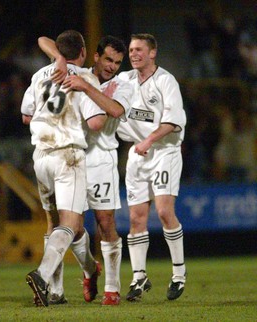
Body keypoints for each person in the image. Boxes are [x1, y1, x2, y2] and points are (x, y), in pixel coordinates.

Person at [38, 35, 132, 305]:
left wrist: (86, 88)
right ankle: (90, 270)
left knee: (105, 224)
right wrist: (58, 57)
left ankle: (112, 289)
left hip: (101, 159)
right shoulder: (74, 72)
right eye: (108, 59)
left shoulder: (122, 85)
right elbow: (43, 39)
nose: (112, 66)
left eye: (117, 62)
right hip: (71, 158)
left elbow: (113, 110)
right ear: (95, 56)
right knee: (73, 228)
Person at [21, 30, 107, 307]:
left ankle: (62, 289)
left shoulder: (38, 76)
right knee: (69, 223)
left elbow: (25, 116)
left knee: (59, 224)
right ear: (82, 52)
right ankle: (43, 276)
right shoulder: (83, 77)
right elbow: (96, 123)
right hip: (68, 156)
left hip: (41, 157)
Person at [116, 34, 187, 301]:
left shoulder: (165, 81)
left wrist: (148, 140)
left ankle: (179, 273)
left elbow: (172, 121)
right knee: (135, 218)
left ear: (153, 53)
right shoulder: (124, 80)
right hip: (137, 152)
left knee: (165, 211)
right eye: (131, 49)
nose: (133, 54)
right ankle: (138, 278)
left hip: (163, 151)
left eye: (139, 50)